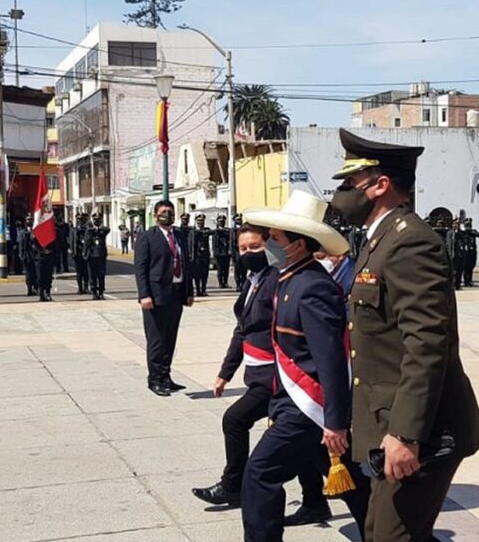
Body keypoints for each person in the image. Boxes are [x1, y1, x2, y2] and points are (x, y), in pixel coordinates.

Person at [330, 129, 479, 540]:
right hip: (390, 423)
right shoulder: (377, 241)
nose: (342, 193)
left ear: (380, 186)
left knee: (392, 535)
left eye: (350, 183)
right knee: (378, 530)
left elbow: (426, 344)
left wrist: (405, 434)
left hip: (423, 430)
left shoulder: (409, 242)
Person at [240, 191, 370, 541]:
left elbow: (331, 359)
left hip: (311, 408)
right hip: (294, 402)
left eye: (274, 239)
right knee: (356, 486)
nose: (268, 243)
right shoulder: (289, 278)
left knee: (259, 473)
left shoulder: (312, 286)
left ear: (297, 245)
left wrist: (336, 422)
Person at [192, 224, 329, 519]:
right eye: (243, 249)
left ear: (268, 246)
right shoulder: (252, 280)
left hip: (278, 376)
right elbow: (242, 329)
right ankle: (318, 501)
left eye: (255, 247)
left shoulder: (275, 280)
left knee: (235, 420)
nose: (248, 253)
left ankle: (232, 486)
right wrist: (225, 372)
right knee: (308, 446)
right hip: (258, 373)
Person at [134, 200, 195, 396]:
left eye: (170, 211)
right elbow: (140, 269)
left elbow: (186, 263)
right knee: (156, 340)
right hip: (156, 295)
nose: (167, 215)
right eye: (163, 212)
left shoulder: (179, 235)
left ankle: (166, 376)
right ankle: (155, 379)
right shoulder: (147, 237)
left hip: (176, 294)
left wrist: (189, 291)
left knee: (170, 338)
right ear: (155, 215)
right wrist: (144, 295)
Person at [86, 212, 110, 300]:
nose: (97, 221)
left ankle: (101, 291)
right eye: (95, 220)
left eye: (99, 220)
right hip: (92, 256)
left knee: (101, 275)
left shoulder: (103, 230)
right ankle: (94, 292)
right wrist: (85, 254)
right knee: (92, 275)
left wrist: (98, 228)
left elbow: (107, 229)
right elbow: (87, 242)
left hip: (101, 255)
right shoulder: (89, 230)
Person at [32, 221, 56, 302]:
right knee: (40, 277)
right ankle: (42, 294)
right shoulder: (37, 232)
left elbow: (55, 242)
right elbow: (34, 244)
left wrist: (50, 250)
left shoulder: (50, 232)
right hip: (40, 258)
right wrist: (42, 251)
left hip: (49, 257)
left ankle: (48, 293)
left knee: (48, 276)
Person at [191, 214, 212, 296]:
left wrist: (204, 231)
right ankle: (198, 290)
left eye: (202, 221)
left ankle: (203, 289)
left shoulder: (206, 230)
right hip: (197, 256)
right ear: (196, 221)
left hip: (205, 255)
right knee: (197, 274)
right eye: (199, 221)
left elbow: (213, 232)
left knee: (204, 274)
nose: (200, 223)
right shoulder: (193, 231)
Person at [18, 215, 38, 297]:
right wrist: (21, 256)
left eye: (31, 220)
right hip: (27, 256)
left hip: (36, 256)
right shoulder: (23, 232)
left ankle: (36, 288)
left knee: (36, 273)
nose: (29, 222)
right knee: (29, 274)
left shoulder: (37, 231)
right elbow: (21, 245)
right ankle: (30, 289)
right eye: (28, 220)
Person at [71, 213, 91, 295]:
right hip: (78, 253)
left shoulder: (88, 229)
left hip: (86, 253)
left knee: (86, 272)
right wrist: (72, 252)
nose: (80, 221)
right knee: (79, 273)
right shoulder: (74, 230)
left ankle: (86, 287)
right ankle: (80, 288)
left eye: (82, 220)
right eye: (79, 220)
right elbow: (72, 241)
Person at [212, 214, 232, 289]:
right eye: (220, 222)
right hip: (219, 253)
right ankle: (220, 282)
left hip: (226, 252)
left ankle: (225, 282)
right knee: (220, 269)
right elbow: (214, 242)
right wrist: (214, 252)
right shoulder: (216, 231)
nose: (222, 223)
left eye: (223, 222)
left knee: (226, 268)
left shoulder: (227, 230)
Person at [461, 217, 479, 287]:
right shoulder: (463, 233)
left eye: (469, 226)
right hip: (465, 253)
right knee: (465, 268)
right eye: (467, 226)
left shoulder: (473, 232)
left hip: (472, 252)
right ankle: (466, 281)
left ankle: (470, 280)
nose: (468, 227)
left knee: (471, 267)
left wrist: (471, 231)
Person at [232, 213, 247, 291]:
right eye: (237, 220)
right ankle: (238, 284)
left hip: (243, 252)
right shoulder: (233, 230)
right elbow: (232, 242)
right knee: (237, 270)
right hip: (236, 252)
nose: (239, 221)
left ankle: (244, 283)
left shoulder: (244, 229)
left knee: (244, 269)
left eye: (240, 220)